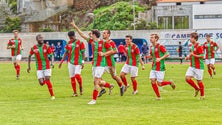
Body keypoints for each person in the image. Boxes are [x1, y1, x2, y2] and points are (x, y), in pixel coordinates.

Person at [71, 20, 114, 105]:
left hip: (101, 65)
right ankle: (109, 86)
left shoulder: (103, 42)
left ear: (94, 35)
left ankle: (93, 100)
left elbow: (112, 51)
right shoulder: (92, 41)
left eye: (91, 33)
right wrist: (75, 26)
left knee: (95, 81)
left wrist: (104, 53)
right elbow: (82, 35)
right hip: (94, 64)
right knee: (98, 82)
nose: (90, 34)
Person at [147, 33, 176, 100]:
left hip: (160, 67)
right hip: (154, 66)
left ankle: (170, 82)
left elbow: (167, 54)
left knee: (159, 84)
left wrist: (160, 58)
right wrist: (148, 56)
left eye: (152, 37)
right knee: (152, 81)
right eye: (150, 37)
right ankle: (158, 97)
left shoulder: (160, 46)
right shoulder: (151, 47)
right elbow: (152, 55)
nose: (150, 39)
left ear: (156, 39)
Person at [27, 34, 55, 100]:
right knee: (41, 83)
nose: (42, 39)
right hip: (39, 67)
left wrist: (52, 63)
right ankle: (43, 80)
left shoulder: (47, 47)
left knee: (48, 79)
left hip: (47, 66)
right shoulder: (33, 48)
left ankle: (52, 95)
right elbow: (29, 56)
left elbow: (51, 55)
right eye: (40, 38)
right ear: (37, 40)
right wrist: (29, 66)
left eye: (42, 38)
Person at [98, 30, 125, 97]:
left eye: (104, 33)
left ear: (108, 35)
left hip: (110, 62)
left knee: (114, 76)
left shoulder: (111, 42)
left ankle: (121, 86)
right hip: (103, 63)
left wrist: (106, 54)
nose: (103, 34)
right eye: (103, 33)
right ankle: (103, 88)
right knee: (98, 76)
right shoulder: (102, 42)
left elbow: (116, 50)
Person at [59, 31, 85, 97]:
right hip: (70, 62)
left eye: (72, 38)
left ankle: (81, 86)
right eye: (69, 38)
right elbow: (66, 52)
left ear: (74, 36)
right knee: (72, 77)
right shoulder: (69, 43)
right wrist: (61, 61)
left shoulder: (80, 42)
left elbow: (83, 53)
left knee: (77, 75)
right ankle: (75, 92)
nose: (71, 39)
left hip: (78, 62)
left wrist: (82, 62)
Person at [185, 32, 205, 100]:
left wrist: (194, 55)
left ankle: (202, 96)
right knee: (187, 78)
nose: (190, 39)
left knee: (199, 81)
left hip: (199, 66)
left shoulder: (199, 46)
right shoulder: (191, 46)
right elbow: (191, 53)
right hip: (192, 66)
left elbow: (202, 56)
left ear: (194, 38)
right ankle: (196, 89)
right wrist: (188, 56)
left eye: (191, 37)